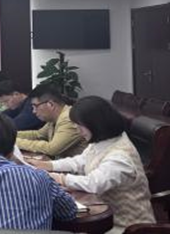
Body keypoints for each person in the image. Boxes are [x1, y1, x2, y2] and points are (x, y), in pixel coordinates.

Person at [30, 96, 155, 233]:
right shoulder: (102, 140)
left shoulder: (120, 156)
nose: (77, 130)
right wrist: (48, 165)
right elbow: (80, 161)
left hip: (124, 225)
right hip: (104, 214)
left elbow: (94, 184)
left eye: (79, 125)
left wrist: (60, 178)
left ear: (96, 124)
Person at [16, 87, 86, 158]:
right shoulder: (54, 118)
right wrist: (11, 135)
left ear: (50, 104)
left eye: (36, 106)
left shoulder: (69, 118)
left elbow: (52, 149)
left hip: (78, 165)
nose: (34, 111)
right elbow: (38, 135)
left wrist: (16, 142)